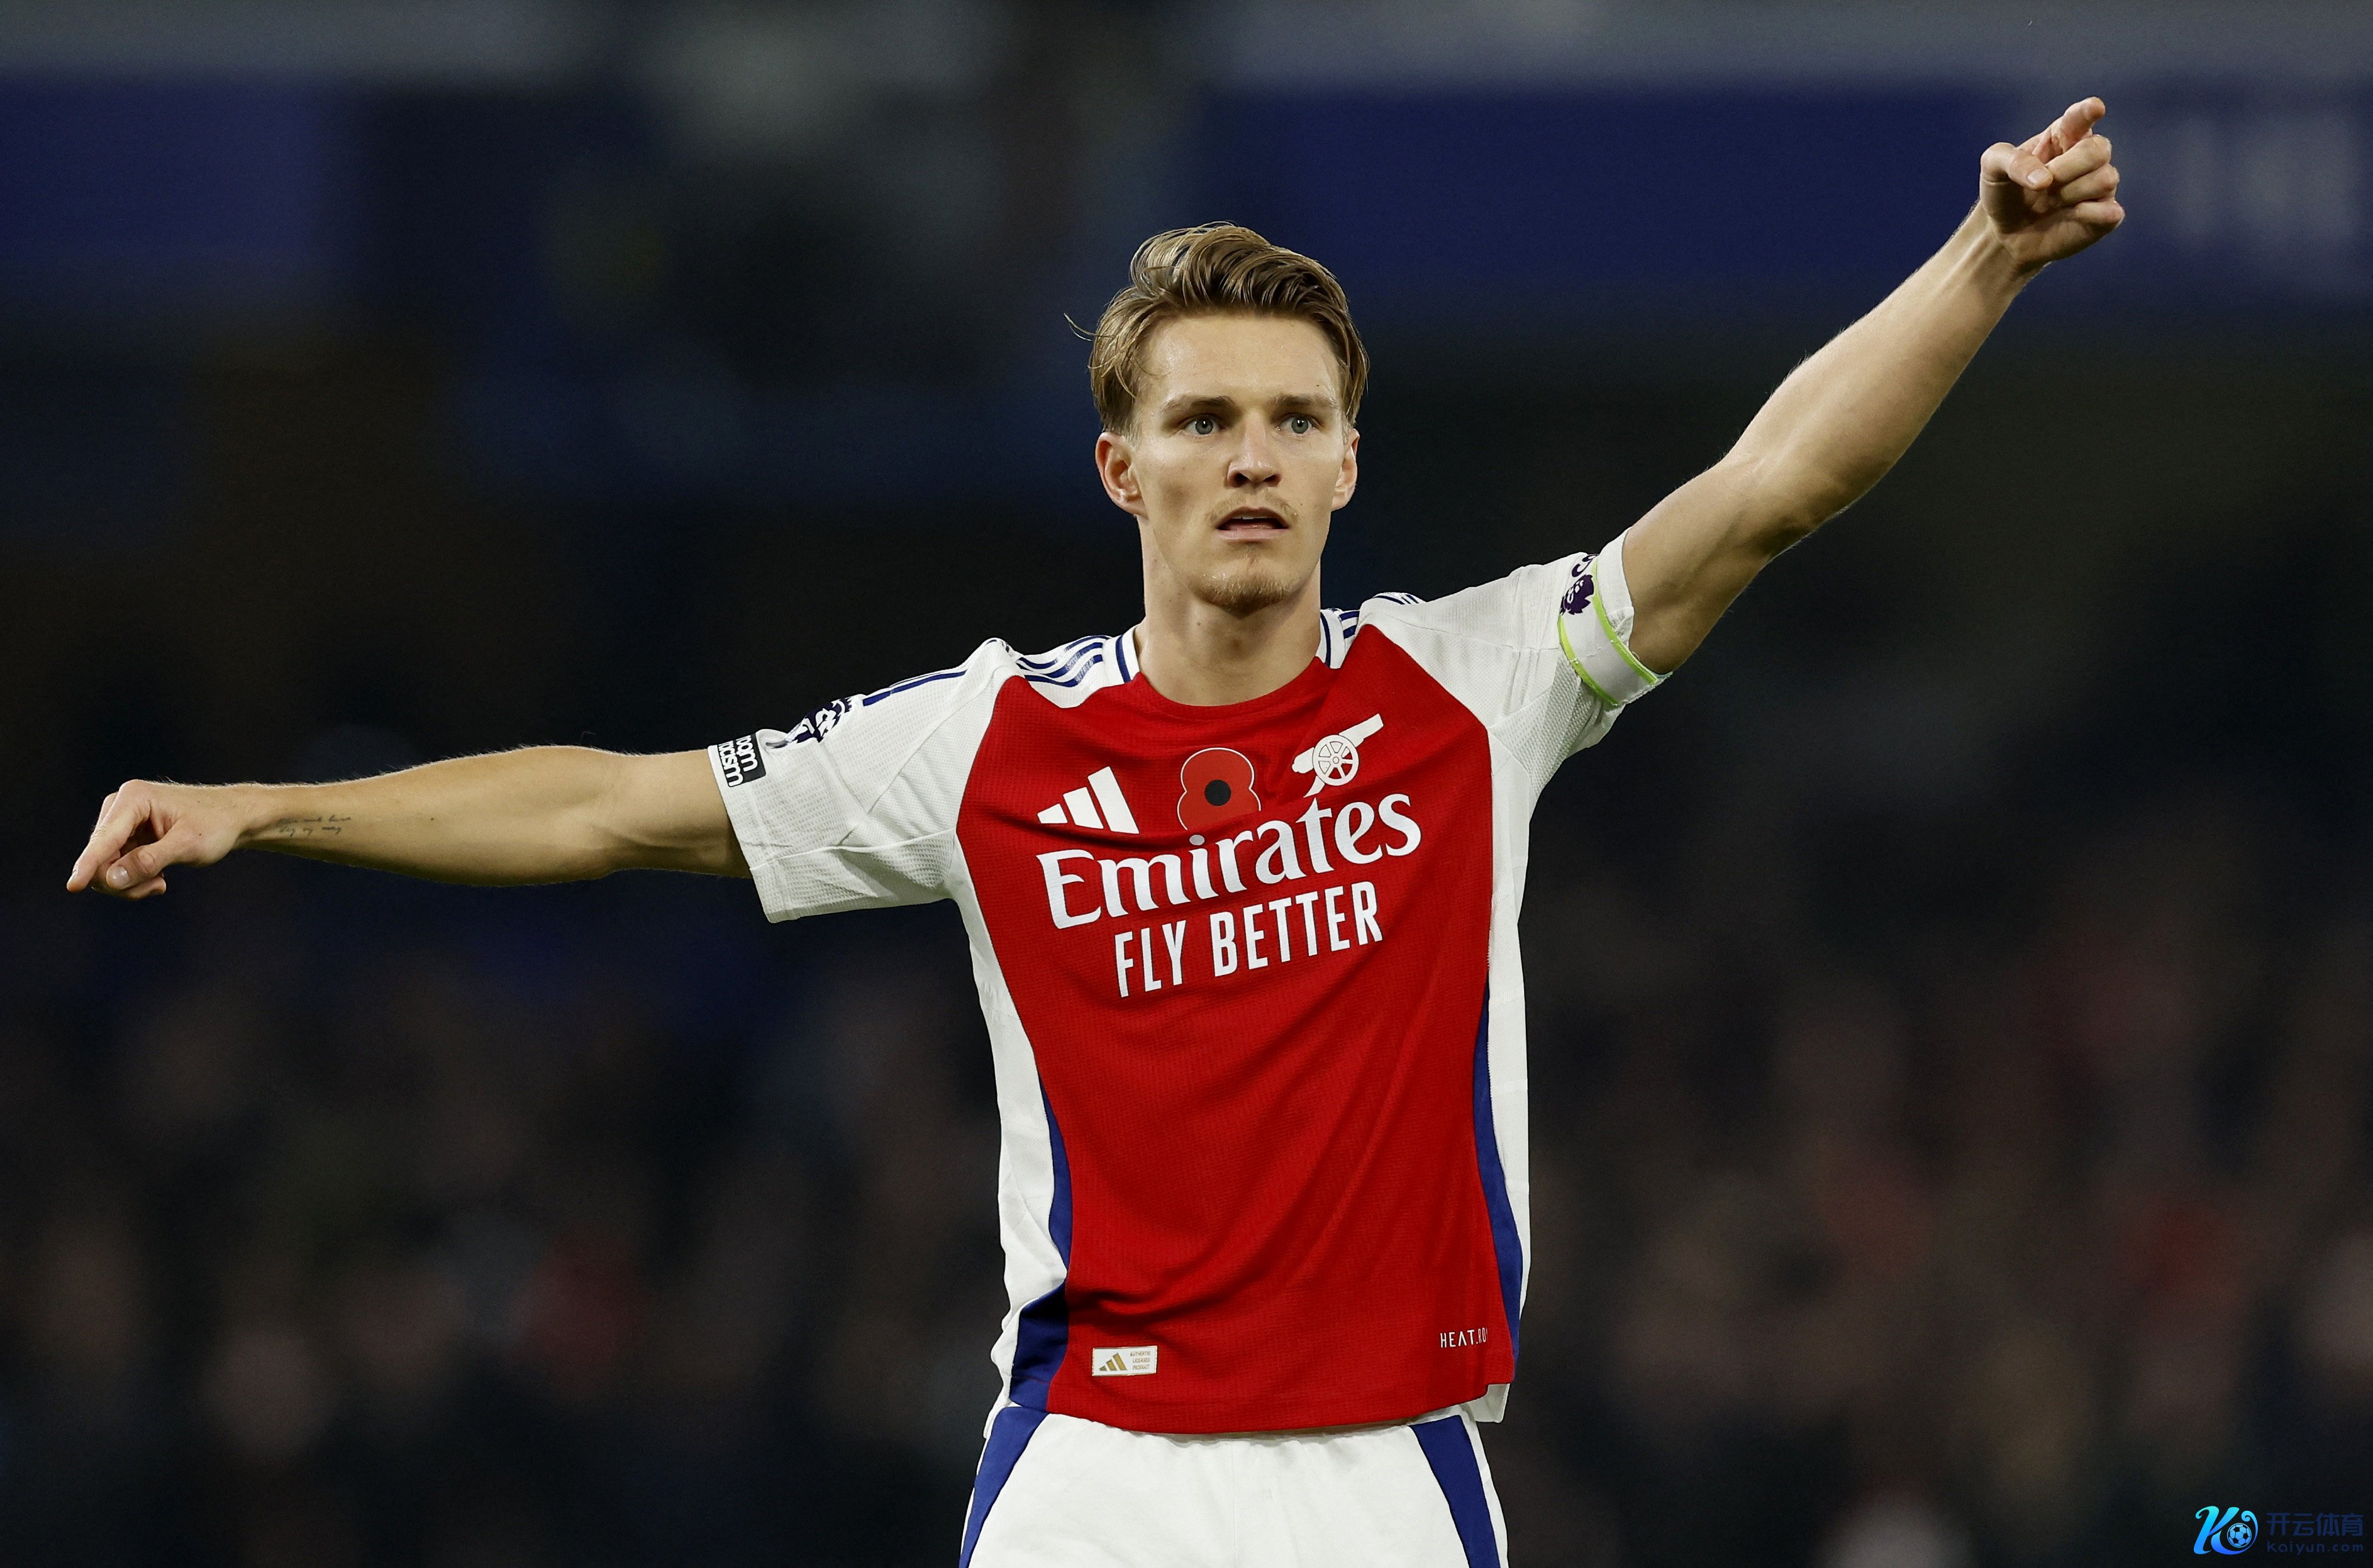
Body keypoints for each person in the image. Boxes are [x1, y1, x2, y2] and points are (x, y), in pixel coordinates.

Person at [67, 99, 2122, 1567]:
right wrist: (274, 805)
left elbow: (1770, 487)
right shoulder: (990, 743)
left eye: (1295, 421)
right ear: (1122, 467)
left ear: (1348, 463)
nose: (1254, 458)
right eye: (1207, 421)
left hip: (1387, 1478)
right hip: (1096, 1477)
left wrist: (1986, 261)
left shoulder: (1474, 687)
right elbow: (615, 805)